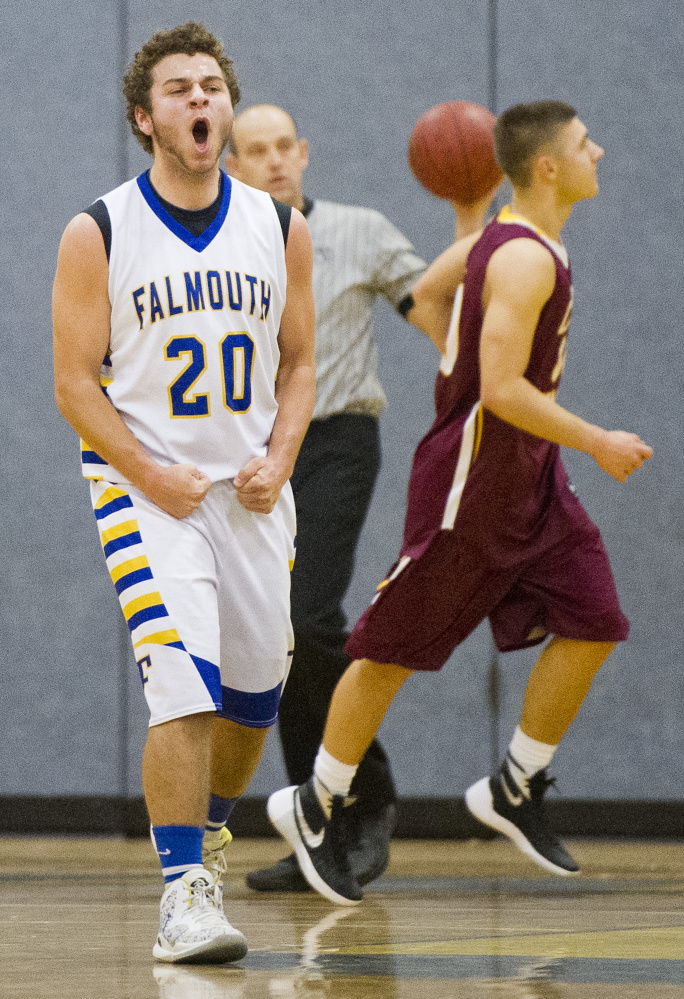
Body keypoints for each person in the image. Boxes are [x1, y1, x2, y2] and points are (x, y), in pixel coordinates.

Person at [265, 100, 653, 905]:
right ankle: (315, 800)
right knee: (390, 648)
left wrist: (455, 349)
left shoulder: (510, 242)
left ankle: (516, 781)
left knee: (595, 619)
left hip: (532, 479)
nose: (599, 150)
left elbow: (431, 292)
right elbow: (504, 390)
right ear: (548, 166)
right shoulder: (520, 259)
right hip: (473, 481)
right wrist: (595, 437)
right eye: (586, 143)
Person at [52, 23, 315, 959]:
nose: (199, 100)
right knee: (183, 683)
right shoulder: (102, 229)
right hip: (148, 489)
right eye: (177, 88)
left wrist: (281, 455)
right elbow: (75, 382)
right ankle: (184, 893)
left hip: (249, 493)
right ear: (144, 115)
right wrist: (148, 469)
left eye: (211, 86)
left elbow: (300, 366)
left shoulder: (280, 226)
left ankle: (206, 831)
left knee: (253, 700)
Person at [224, 104, 428, 891]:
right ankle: (319, 818)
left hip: (338, 439)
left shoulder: (360, 230)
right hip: (257, 448)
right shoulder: (230, 247)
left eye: (285, 146)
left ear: (304, 153)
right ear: (234, 165)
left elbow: (434, 305)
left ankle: (364, 793)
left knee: (307, 615)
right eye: (257, 150)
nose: (274, 160)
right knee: (277, 638)